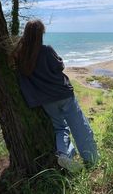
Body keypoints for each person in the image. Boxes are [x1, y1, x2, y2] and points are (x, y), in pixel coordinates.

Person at [12, 19, 99, 172]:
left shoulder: (21, 55)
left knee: (60, 128)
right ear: (41, 33)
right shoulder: (46, 50)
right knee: (79, 126)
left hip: (46, 100)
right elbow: (59, 66)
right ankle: (91, 160)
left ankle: (64, 154)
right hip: (63, 94)